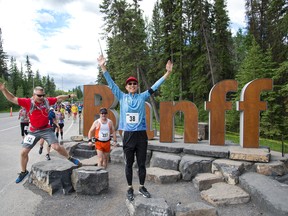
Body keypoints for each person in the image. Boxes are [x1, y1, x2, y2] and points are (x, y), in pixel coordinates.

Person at [97, 55, 173, 201]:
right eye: (129, 84)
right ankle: (130, 188)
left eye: (134, 83)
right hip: (128, 135)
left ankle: (142, 187)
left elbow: (155, 86)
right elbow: (111, 83)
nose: (132, 85)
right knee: (129, 163)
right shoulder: (122, 97)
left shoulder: (142, 96)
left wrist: (168, 73)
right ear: (126, 87)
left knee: (142, 163)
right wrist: (102, 66)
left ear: (137, 86)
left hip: (141, 136)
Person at [0, 84, 82, 183]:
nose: (41, 97)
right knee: (23, 153)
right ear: (33, 95)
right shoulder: (27, 102)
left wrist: (69, 96)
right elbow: (12, 98)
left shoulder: (46, 101)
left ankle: (70, 158)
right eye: (39, 95)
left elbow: (58, 98)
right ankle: (23, 172)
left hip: (46, 129)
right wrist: (4, 90)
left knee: (56, 147)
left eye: (43, 95)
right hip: (33, 131)